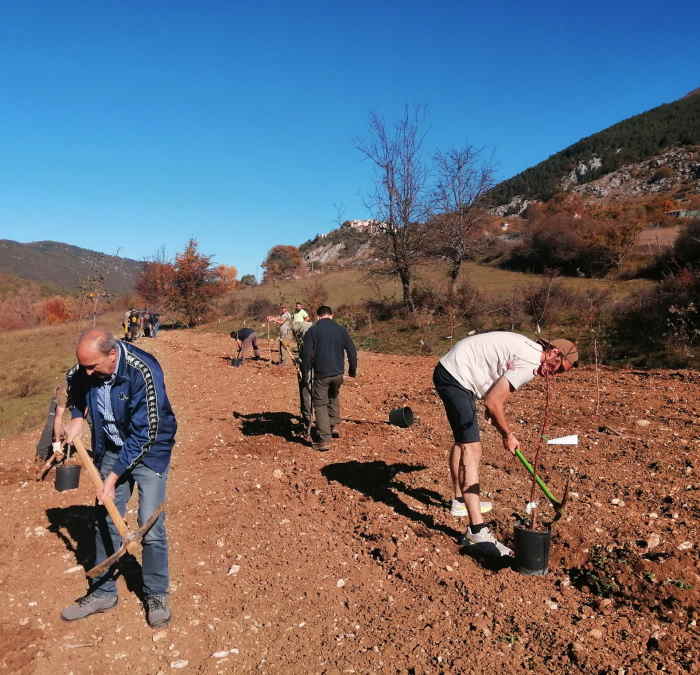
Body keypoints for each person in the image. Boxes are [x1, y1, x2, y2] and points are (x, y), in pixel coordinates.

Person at [60, 329, 177, 628]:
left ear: (112, 355)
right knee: (106, 519)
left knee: (151, 525)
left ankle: (156, 593)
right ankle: (103, 592)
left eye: (92, 366)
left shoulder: (143, 371)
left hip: (150, 450)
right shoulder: (84, 369)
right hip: (111, 446)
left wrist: (111, 478)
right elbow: (74, 385)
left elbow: (145, 434)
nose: (86, 372)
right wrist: (76, 416)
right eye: (83, 366)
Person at [433, 331, 578, 557]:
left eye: (560, 374)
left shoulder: (529, 349)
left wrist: (494, 413)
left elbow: (493, 394)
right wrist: (507, 434)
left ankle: (461, 501)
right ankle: (477, 530)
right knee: (472, 447)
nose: (554, 375)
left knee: (464, 442)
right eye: (557, 369)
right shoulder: (530, 362)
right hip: (457, 376)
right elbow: (493, 402)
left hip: (453, 370)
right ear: (554, 353)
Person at [301, 306, 357, 451]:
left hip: (321, 374)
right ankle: (332, 426)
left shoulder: (312, 331)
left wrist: (305, 372)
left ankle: (325, 438)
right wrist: (352, 370)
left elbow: (306, 355)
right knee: (333, 396)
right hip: (338, 374)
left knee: (319, 404)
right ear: (331, 315)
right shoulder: (341, 330)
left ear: (318, 316)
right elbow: (351, 350)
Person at [292, 318, 314, 435]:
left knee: (306, 392)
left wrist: (299, 362)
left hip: (308, 370)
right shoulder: (317, 330)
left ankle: (307, 422)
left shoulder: (306, 337)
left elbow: (305, 358)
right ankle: (329, 424)